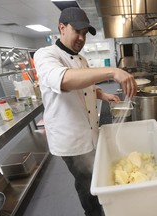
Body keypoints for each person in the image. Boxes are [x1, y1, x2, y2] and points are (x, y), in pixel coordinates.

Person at [33, 7, 137, 216]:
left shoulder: (81, 60)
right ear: (62, 28)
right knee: (87, 182)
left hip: (89, 132)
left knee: (95, 175)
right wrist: (112, 71)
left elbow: (85, 87)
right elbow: (64, 80)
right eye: (77, 31)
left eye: (84, 34)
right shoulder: (45, 55)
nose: (81, 38)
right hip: (71, 139)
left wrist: (102, 94)